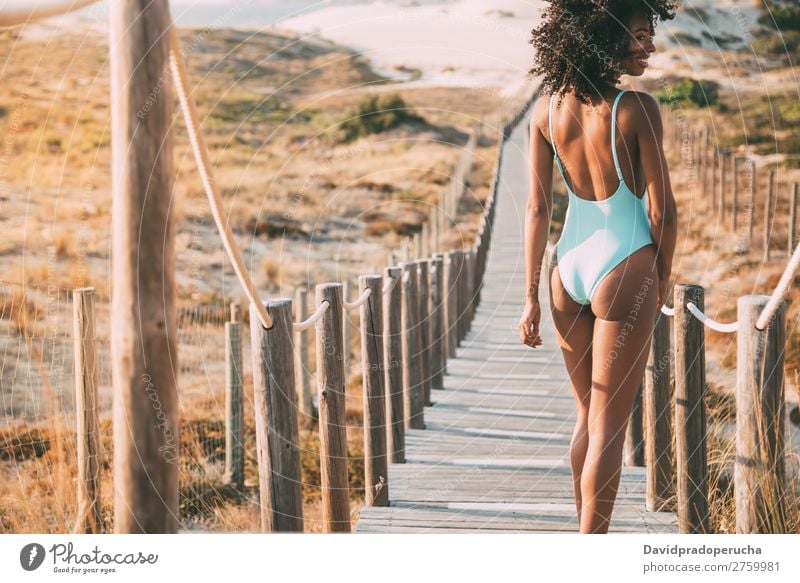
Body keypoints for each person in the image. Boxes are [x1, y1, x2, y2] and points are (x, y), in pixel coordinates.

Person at [519, 0, 679, 534]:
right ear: (604, 39)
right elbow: (660, 211)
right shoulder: (636, 109)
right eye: (639, 35)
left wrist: (530, 298)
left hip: (567, 270)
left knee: (590, 417)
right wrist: (662, 274)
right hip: (624, 264)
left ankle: (583, 533)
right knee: (611, 425)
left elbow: (538, 210)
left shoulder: (545, 111)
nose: (649, 46)